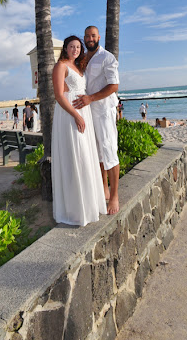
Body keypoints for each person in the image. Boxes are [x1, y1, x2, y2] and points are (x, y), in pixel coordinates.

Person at [51, 35, 106, 226]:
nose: (75, 49)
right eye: (72, 46)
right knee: (75, 157)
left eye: (78, 47)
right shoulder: (61, 66)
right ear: (65, 48)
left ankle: (89, 205)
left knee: (86, 157)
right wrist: (76, 115)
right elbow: (59, 95)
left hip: (84, 115)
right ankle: (75, 210)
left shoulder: (79, 67)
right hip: (70, 115)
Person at [73, 25, 120, 215]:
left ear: (99, 37)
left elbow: (114, 85)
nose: (89, 38)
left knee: (109, 151)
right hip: (88, 112)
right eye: (87, 36)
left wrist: (91, 98)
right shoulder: (83, 58)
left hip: (103, 111)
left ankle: (115, 195)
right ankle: (103, 189)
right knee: (97, 152)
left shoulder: (107, 57)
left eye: (93, 35)